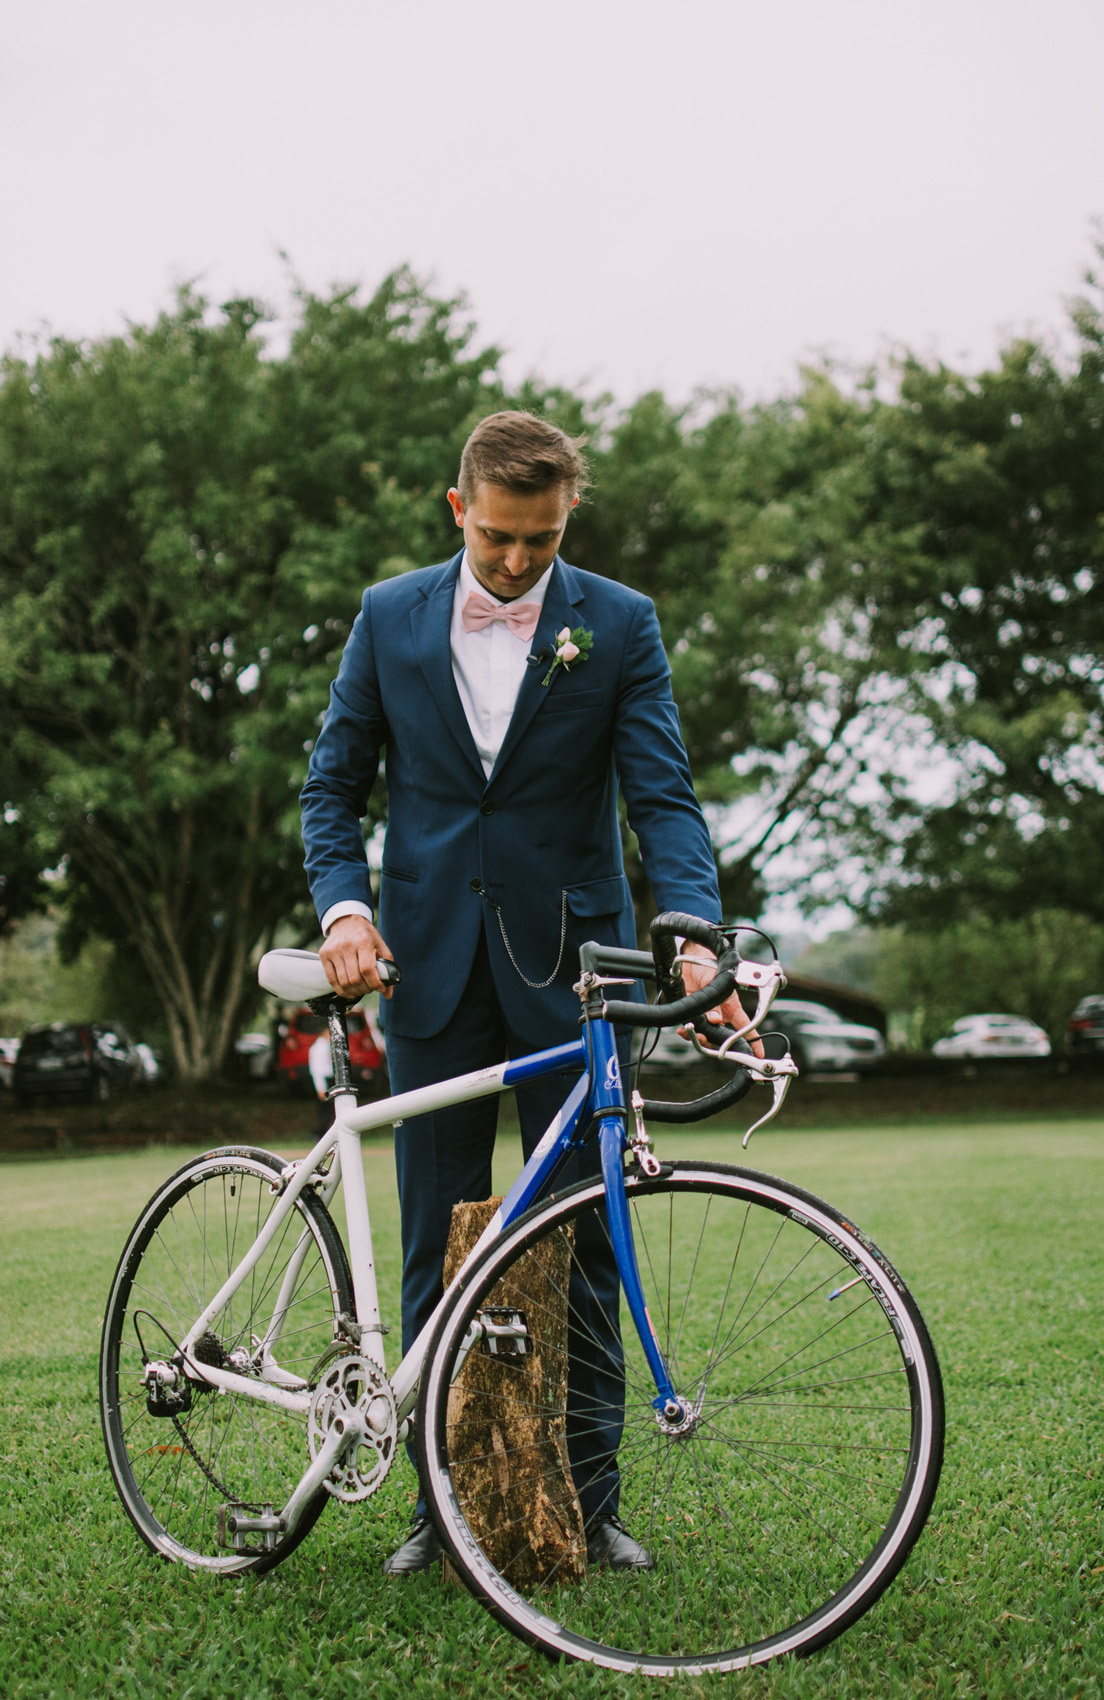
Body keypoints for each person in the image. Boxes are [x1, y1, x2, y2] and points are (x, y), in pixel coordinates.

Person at [300, 411, 746, 1575]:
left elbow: (662, 798)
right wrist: (346, 910)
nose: (513, 561)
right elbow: (331, 786)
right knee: (434, 1239)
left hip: (578, 977)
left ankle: (589, 1503)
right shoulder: (387, 615)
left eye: (538, 541)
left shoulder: (621, 623)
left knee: (588, 1233)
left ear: (567, 517)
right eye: (495, 536)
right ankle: (436, 1505)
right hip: (428, 968)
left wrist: (692, 937)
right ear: (459, 509)